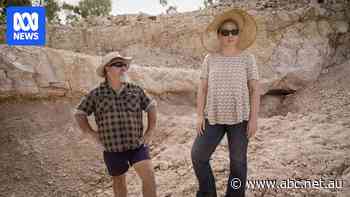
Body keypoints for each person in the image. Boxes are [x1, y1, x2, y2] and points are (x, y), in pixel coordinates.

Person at [191, 8, 260, 197]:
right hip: (213, 117)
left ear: (238, 34)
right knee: (198, 156)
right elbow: (202, 88)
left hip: (240, 119)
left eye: (234, 31)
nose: (230, 35)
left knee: (238, 163)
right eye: (225, 32)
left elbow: (255, 90)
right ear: (219, 35)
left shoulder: (248, 58)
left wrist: (254, 119)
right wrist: (199, 116)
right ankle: (207, 193)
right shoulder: (210, 59)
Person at [74, 52, 157, 197]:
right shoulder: (96, 94)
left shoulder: (135, 90)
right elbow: (79, 113)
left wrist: (149, 132)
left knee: (149, 175)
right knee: (119, 183)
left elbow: (151, 106)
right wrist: (91, 134)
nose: (123, 68)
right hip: (112, 149)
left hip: (136, 146)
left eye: (124, 65)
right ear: (107, 68)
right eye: (118, 65)